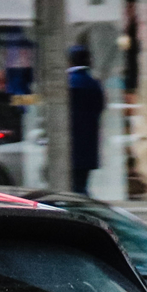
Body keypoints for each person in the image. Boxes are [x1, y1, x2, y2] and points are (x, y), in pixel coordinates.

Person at [64, 44, 104, 194]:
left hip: (69, 144)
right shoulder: (94, 84)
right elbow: (99, 109)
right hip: (88, 145)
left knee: (72, 188)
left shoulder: (67, 83)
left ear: (70, 61)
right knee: (82, 185)